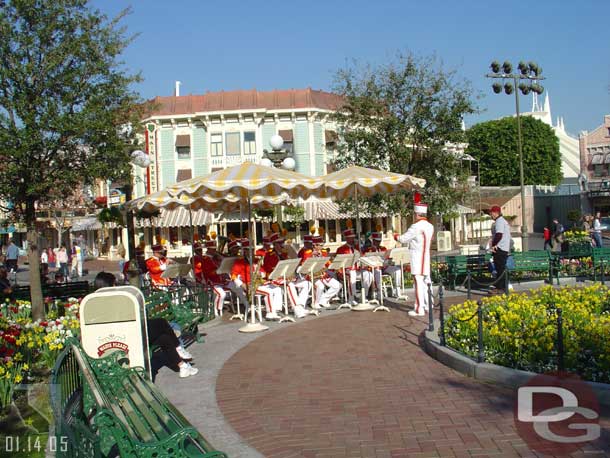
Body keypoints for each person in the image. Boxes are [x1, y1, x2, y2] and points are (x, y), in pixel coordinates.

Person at [93, 272, 197, 378]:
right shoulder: (115, 300)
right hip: (129, 336)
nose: (116, 286)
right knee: (162, 323)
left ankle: (183, 366)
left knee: (164, 338)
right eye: (114, 283)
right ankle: (178, 348)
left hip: (126, 334)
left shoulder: (96, 302)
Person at [395, 202, 435, 316]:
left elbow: (403, 239)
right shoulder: (430, 226)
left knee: (418, 282)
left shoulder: (416, 226)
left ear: (417, 214)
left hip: (417, 257)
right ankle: (429, 304)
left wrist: (396, 236)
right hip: (425, 256)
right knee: (427, 281)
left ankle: (419, 309)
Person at [336, 223, 372, 305]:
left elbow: (362, 258)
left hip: (357, 270)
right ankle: (351, 298)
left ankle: (364, 296)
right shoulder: (341, 249)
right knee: (352, 274)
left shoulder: (357, 248)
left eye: (353, 238)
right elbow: (338, 263)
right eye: (351, 238)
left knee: (369, 275)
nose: (353, 240)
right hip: (346, 271)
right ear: (347, 239)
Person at [488, 205, 512, 294]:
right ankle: (501, 287)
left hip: (500, 248)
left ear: (495, 213)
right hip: (504, 248)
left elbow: (499, 234)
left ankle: (501, 288)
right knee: (500, 268)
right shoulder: (502, 221)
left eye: (491, 213)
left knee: (500, 268)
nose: (490, 214)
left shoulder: (499, 221)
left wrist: (494, 245)